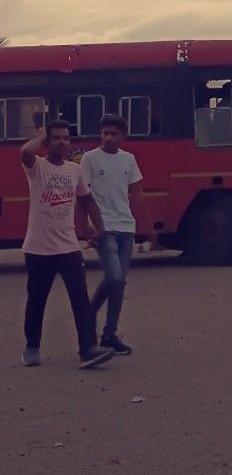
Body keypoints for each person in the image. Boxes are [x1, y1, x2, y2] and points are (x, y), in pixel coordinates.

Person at [20, 122, 115, 369]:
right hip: (39, 248)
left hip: (68, 247)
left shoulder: (74, 170)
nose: (62, 142)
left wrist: (99, 228)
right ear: (47, 142)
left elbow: (87, 200)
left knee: (80, 300)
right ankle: (32, 347)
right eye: (56, 138)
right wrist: (39, 137)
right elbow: (25, 153)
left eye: (66, 138)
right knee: (37, 300)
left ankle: (88, 349)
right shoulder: (37, 167)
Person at [81, 114, 158, 355]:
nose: (109, 138)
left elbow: (137, 194)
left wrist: (150, 229)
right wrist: (85, 227)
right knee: (114, 277)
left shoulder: (129, 160)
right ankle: (88, 316)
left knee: (119, 281)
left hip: (127, 228)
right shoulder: (90, 158)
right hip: (104, 228)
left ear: (123, 136)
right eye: (105, 133)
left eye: (114, 134)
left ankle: (109, 334)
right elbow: (82, 195)